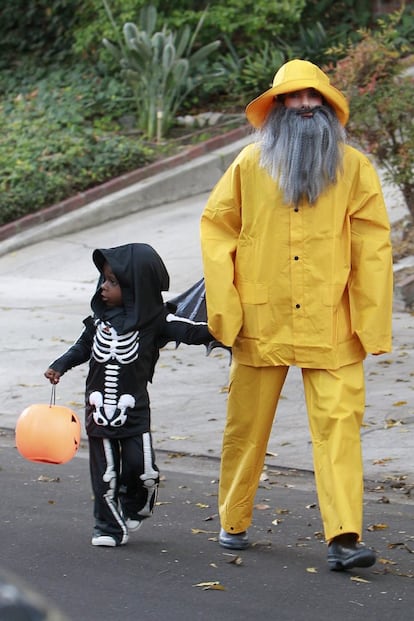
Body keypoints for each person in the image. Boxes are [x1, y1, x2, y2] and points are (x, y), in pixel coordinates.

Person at [200, 59, 393, 571]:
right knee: (247, 426)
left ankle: (345, 536)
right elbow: (217, 232)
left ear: (327, 106)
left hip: (333, 322)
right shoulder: (247, 165)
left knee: (340, 427)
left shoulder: (354, 168)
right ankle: (233, 518)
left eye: (315, 98)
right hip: (262, 321)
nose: (306, 106)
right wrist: (226, 310)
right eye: (295, 98)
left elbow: (372, 246)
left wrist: (371, 321)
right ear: (280, 106)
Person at [45, 243, 213, 548]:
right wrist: (59, 365)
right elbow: (82, 347)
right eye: (104, 280)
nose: (104, 288)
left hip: (133, 410)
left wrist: (225, 322)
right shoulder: (99, 321)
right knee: (105, 474)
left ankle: (136, 501)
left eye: (113, 282)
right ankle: (106, 527)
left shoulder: (156, 321)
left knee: (143, 470)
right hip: (97, 409)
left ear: (137, 287)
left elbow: (192, 332)